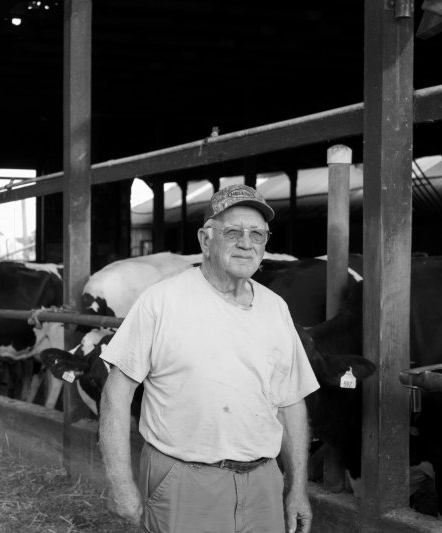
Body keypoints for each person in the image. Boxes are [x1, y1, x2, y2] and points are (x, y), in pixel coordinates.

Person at [98, 184, 319, 533]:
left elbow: (291, 403)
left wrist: (297, 488)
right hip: (185, 481)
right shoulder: (163, 301)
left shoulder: (276, 309)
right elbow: (116, 393)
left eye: (258, 234)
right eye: (233, 231)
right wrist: (121, 483)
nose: (247, 243)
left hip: (263, 483)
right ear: (205, 240)